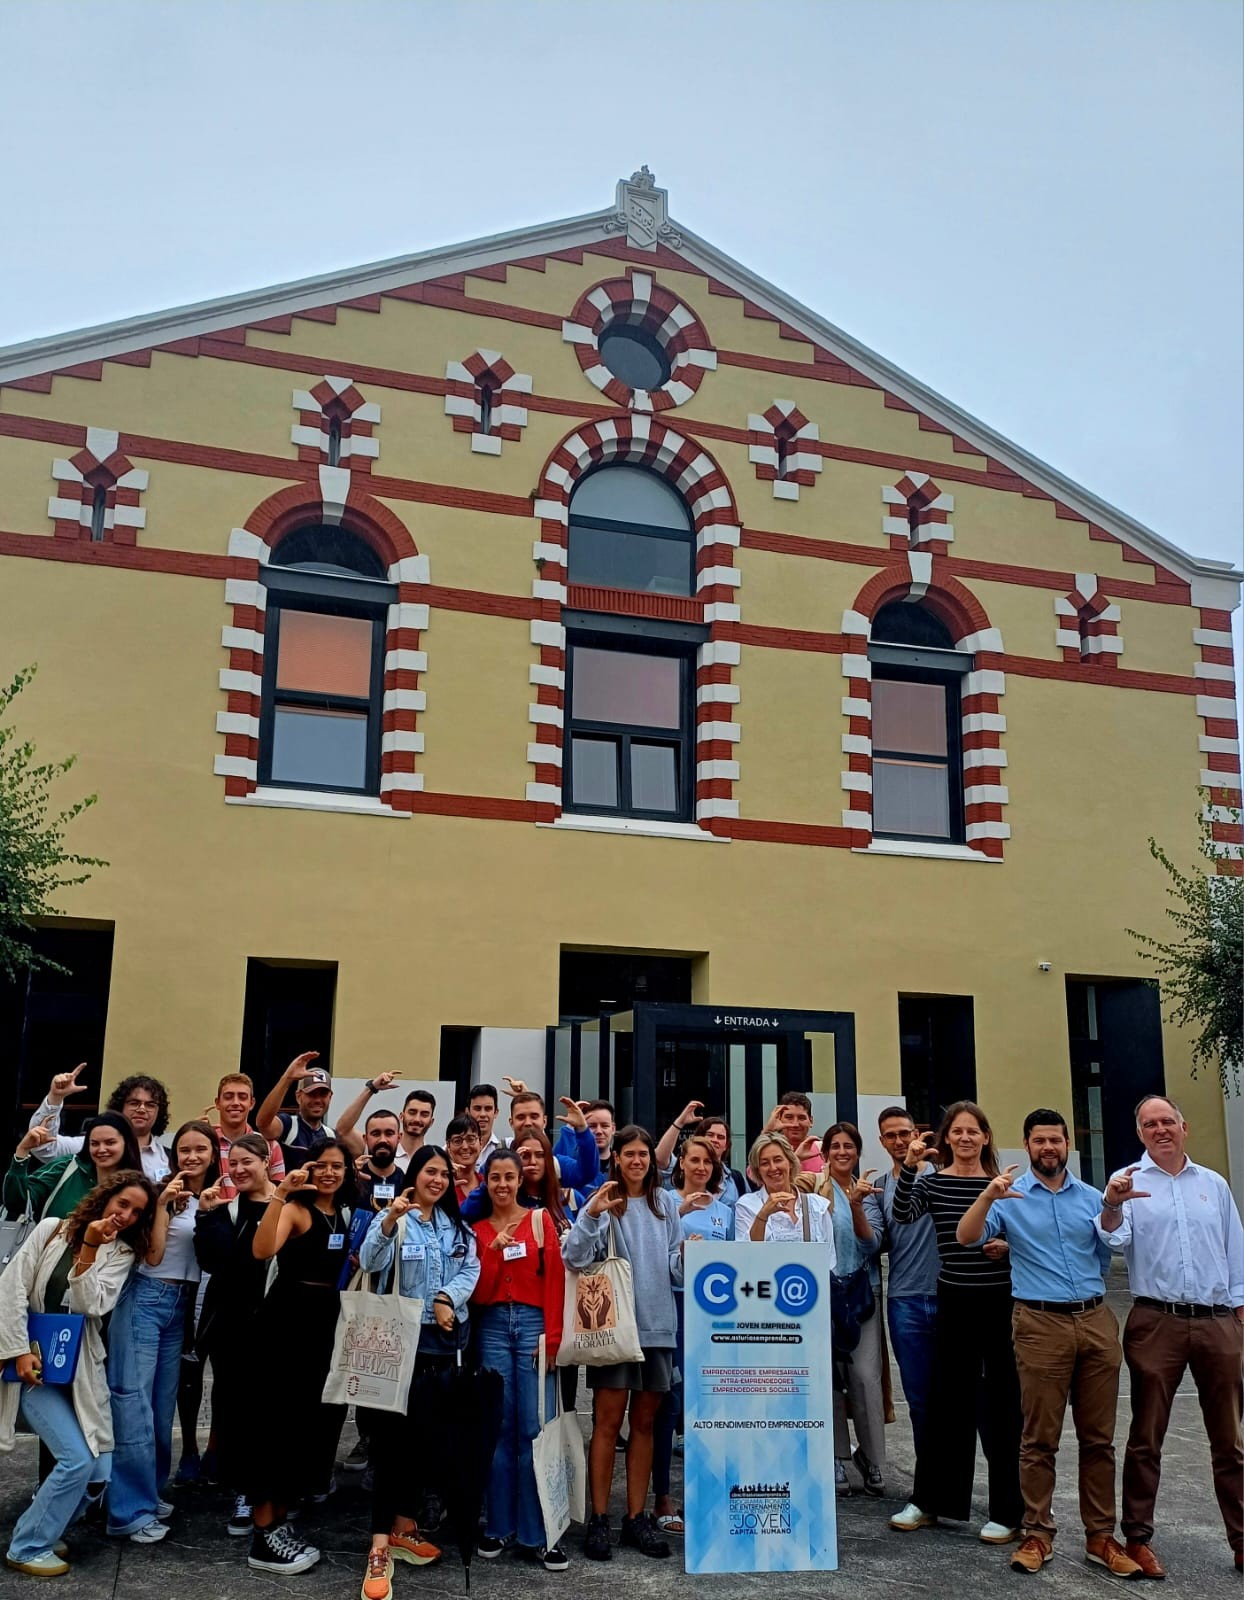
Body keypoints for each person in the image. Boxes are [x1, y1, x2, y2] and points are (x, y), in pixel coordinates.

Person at [957, 1109, 1141, 1579]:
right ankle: (1037, 1532)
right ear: (1027, 1145)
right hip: (1039, 1324)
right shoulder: (1009, 1196)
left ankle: (1101, 1536)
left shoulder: (1092, 1198)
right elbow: (966, 1237)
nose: (1048, 1148)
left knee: (1099, 1439)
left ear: (1067, 1145)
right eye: (1039, 1141)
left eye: (1056, 1140)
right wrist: (987, 1194)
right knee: (1038, 1439)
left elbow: (1114, 1245)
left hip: (1097, 1321)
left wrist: (1114, 1206)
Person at [1097, 1094, 1244, 1579]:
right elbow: (1114, 1240)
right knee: (1147, 1436)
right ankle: (1138, 1539)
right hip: (1155, 1319)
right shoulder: (1127, 1180)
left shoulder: (1214, 1184)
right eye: (1149, 1124)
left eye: (1167, 1121)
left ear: (1184, 1127)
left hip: (1217, 1320)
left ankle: (1242, 1541)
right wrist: (1112, 1206)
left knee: (1230, 1440)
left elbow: (1234, 1249)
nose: (1160, 1130)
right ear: (1139, 1133)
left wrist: (1239, 1312)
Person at [0, 1171, 156, 1578]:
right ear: (106, 1198)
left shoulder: (121, 1253)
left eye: (137, 1212)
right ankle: (28, 1545)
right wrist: (16, 1350)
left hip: (81, 1371)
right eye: (123, 1204)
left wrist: (90, 1248)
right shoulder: (53, 1230)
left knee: (98, 1473)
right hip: (36, 1369)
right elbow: (12, 1286)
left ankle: (43, 1524)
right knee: (75, 1460)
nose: (126, 1215)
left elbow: (91, 1305)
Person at [888, 1100, 1023, 1544]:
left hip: (999, 1302)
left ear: (986, 1138)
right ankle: (929, 1501)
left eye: (974, 1131)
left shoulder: (1005, 1186)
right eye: (957, 1131)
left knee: (1001, 1405)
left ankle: (1008, 1509)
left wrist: (1006, 1246)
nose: (965, 1138)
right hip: (954, 1298)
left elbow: (1025, 1238)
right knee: (946, 1403)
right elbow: (903, 1215)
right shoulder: (934, 1183)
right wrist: (909, 1167)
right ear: (946, 1139)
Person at [357, 1144, 480, 1600]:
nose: (438, 1180)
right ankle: (378, 1548)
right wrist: (388, 1221)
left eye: (444, 1174)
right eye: (430, 1171)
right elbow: (370, 1262)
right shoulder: (397, 1218)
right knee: (390, 1445)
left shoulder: (455, 1227)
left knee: (422, 1445)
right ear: (416, 1174)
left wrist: (448, 1297)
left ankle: (405, 1526)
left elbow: (471, 1267)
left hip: (441, 1348)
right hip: (398, 1343)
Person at [564, 1125, 684, 1562]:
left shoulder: (666, 1203)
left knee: (647, 1425)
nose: (637, 1161)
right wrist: (592, 1214)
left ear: (652, 1159)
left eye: (644, 1154)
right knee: (606, 1423)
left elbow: (675, 1268)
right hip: (613, 1327)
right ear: (615, 1157)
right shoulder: (603, 1201)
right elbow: (574, 1258)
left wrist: (689, 1258)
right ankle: (599, 1517)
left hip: (657, 1326)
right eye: (629, 1153)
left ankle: (636, 1517)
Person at [106, 1119, 220, 1544]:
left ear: (212, 1154)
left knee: (159, 1404)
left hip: (182, 1305)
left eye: (200, 1150)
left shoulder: (213, 1197)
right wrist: (161, 1205)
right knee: (132, 1403)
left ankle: (149, 1492)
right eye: (184, 1150)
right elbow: (152, 1257)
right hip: (146, 1297)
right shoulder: (159, 1191)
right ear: (174, 1155)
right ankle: (128, 1512)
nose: (192, 1157)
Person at [245, 1140, 355, 1574]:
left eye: (337, 1166)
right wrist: (279, 1194)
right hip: (286, 1322)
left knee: (307, 1425)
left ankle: (280, 1518)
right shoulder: (296, 1208)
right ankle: (262, 1531)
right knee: (274, 1422)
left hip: (327, 1324)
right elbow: (261, 1250)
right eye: (321, 1166)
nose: (329, 1173)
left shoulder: (346, 1214)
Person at [471, 1149, 568, 1570]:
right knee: (498, 1427)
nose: (503, 1184)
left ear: (518, 1180)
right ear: (486, 1182)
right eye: (495, 1177)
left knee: (534, 1427)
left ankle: (539, 1531)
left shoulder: (539, 1220)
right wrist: (492, 1250)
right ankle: (499, 1525)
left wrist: (553, 1340)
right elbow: (478, 1293)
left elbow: (557, 1280)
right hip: (492, 1325)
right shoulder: (475, 1230)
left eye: (509, 1177)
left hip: (532, 1325)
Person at [192, 1133, 276, 1536]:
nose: (240, 1170)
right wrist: (206, 1218)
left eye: (248, 1162)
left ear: (265, 1161)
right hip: (235, 1325)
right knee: (237, 1409)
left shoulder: (290, 1202)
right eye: (234, 1163)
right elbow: (216, 1262)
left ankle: (276, 1490)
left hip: (279, 1322)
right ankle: (245, 1491)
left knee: (272, 1409)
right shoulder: (225, 1211)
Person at [652, 1133, 735, 1536]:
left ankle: (705, 1494)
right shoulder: (664, 1202)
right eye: (694, 1160)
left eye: (708, 1162)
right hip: (674, 1308)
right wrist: (681, 1213)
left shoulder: (725, 1211)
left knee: (708, 1405)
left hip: (712, 1316)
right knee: (670, 1401)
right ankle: (662, 1496)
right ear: (680, 1164)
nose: (701, 1167)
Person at [811, 1123, 885, 1500]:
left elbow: (873, 1246)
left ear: (858, 1152)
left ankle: (872, 1458)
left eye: (849, 1146)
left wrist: (856, 1204)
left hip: (861, 1293)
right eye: (834, 1146)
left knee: (865, 1377)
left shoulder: (868, 1190)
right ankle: (836, 1457)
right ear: (824, 1152)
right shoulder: (810, 1188)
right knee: (828, 1381)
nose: (842, 1152)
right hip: (820, 1295)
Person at [862, 1106, 940, 1458]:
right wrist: (854, 1207)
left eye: (904, 1133)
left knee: (957, 1393)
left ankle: (955, 1479)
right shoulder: (878, 1189)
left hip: (949, 1295)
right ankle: (928, 1483)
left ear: (916, 1134)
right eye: (890, 1135)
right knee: (920, 1399)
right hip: (905, 1300)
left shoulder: (943, 1176)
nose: (899, 1141)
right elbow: (875, 1243)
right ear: (881, 1141)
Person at [25, 1067, 172, 1182]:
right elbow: (43, 1146)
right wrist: (55, 1097)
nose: (141, 1109)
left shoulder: (169, 1158)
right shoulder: (90, 1146)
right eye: (134, 1103)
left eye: (150, 1105)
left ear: (159, 1111)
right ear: (120, 1106)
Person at [5, 1114, 146, 1222]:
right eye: (95, 1143)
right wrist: (22, 1151)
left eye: (110, 1143)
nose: (102, 1149)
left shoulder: (137, 1186)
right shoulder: (67, 1166)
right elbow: (18, 1203)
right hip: (50, 1256)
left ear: (127, 1144)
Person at [735, 1131, 835, 1249]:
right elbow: (745, 1254)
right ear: (758, 1170)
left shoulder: (817, 1205)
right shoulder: (747, 1205)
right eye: (765, 1163)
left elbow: (829, 1259)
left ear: (790, 1162)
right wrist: (762, 1216)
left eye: (778, 1160)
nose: (773, 1168)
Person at [501, 1084, 600, 1192]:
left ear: (544, 1121)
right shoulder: (497, 1162)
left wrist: (582, 1130)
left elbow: (587, 1173)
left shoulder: (557, 1165)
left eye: (534, 1117)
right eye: (521, 1117)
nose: (528, 1123)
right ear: (511, 1123)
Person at [208, 1074, 286, 1198]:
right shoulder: (206, 1143)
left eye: (242, 1097)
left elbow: (279, 1193)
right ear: (218, 1103)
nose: (235, 1103)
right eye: (228, 1097)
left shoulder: (269, 1146)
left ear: (251, 1103)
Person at [762, 1092, 823, 1173]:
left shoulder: (823, 1150)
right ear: (779, 1118)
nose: (795, 1124)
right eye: (789, 1117)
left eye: (801, 1118)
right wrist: (767, 1131)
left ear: (811, 1121)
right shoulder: (771, 1150)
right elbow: (754, 1177)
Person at [394, 1090, 435, 1172]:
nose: (417, 1119)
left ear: (431, 1122)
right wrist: (371, 1088)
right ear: (401, 1116)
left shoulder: (435, 1158)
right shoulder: (386, 1153)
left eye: (424, 1114)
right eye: (412, 1112)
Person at [445, 1115, 483, 1204]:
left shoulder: (487, 1184)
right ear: (448, 1146)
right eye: (457, 1141)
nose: (465, 1147)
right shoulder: (441, 1184)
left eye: (471, 1139)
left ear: (481, 1143)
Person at [468, 1083, 501, 1170]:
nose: (482, 1114)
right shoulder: (452, 1150)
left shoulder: (506, 1148)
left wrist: (524, 1095)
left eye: (488, 1108)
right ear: (468, 1112)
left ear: (496, 1112)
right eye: (477, 1108)